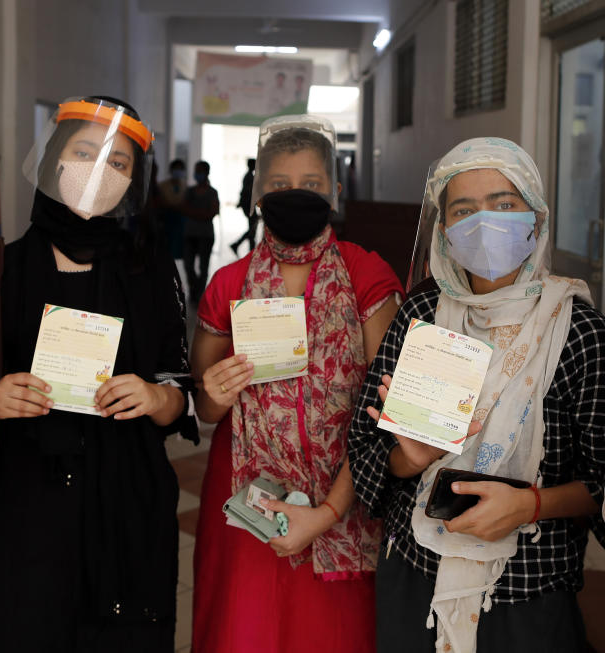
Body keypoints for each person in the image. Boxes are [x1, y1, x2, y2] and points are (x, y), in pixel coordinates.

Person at [0, 96, 197, 653]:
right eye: (86, 152)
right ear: (56, 158)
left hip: (127, 501)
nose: (99, 171)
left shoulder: (152, 274)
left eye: (119, 163)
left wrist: (157, 398)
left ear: (134, 182)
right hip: (24, 508)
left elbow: (182, 390)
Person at [348, 137, 605, 652]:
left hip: (527, 588)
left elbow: (600, 483)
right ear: (444, 229)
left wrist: (529, 505)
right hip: (414, 571)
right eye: (464, 210)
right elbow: (365, 445)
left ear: (535, 217)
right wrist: (407, 458)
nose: (484, 222)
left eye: (505, 205)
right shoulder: (422, 312)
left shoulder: (578, 331)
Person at [191, 115, 403, 652]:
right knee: (248, 627)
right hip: (247, 490)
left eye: (311, 185)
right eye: (279, 185)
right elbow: (206, 408)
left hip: (344, 489)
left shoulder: (365, 275)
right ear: (258, 193)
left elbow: (389, 407)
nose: (296, 195)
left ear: (334, 191)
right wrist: (214, 395)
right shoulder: (228, 283)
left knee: (332, 633)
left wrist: (329, 511)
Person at [182, 160, 220, 301]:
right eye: (196, 171)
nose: (197, 174)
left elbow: (212, 212)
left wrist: (194, 212)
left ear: (207, 173)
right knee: (188, 266)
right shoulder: (190, 191)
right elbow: (184, 209)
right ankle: (194, 288)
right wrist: (202, 214)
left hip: (205, 235)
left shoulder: (212, 192)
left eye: (200, 171)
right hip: (190, 234)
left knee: (204, 267)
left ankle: (198, 294)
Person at [157, 158, 187, 260]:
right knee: (166, 249)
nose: (177, 172)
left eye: (180, 169)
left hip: (181, 221)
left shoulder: (185, 186)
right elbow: (161, 202)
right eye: (176, 169)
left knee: (178, 249)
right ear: (171, 170)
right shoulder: (162, 186)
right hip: (166, 220)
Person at [230, 158, 258, 255]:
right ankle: (244, 247)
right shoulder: (249, 177)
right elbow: (248, 192)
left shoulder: (249, 176)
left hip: (248, 205)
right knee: (252, 228)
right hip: (248, 205)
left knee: (252, 228)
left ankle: (242, 246)